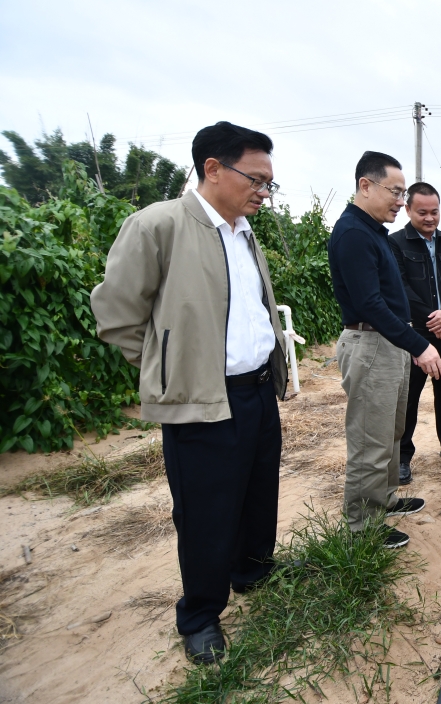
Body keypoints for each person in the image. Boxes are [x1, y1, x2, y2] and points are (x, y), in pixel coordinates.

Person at [91, 121, 289, 664]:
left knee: (257, 491)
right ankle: (201, 615)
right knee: (205, 511)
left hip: (255, 390)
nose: (264, 192)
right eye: (256, 179)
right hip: (202, 397)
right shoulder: (159, 225)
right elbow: (116, 313)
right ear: (213, 169)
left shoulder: (243, 232)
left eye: (269, 183)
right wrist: (167, 370)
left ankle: (252, 570)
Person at [327, 151, 441, 550]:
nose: (400, 201)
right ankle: (363, 526)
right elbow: (370, 303)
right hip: (370, 343)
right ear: (366, 185)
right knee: (370, 440)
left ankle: (386, 499)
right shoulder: (353, 233)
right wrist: (419, 345)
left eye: (402, 193)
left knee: (390, 431)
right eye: (395, 192)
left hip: (387, 343)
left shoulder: (372, 230)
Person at [388, 182, 441, 485]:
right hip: (415, 335)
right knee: (409, 397)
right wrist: (433, 319)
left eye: (434, 212)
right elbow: (400, 288)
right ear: (408, 210)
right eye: (422, 212)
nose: (429, 218)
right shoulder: (395, 243)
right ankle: (402, 456)